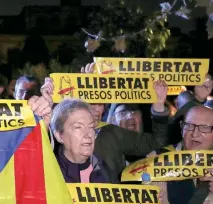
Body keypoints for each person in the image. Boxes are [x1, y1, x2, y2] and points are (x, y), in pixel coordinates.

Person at [42, 71, 170, 183]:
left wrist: (158, 107)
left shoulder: (112, 134)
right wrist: (45, 111)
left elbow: (155, 144)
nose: (96, 108)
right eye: (91, 101)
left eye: (100, 102)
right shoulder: (54, 152)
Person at [51, 99, 123, 204]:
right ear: (59, 136)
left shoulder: (104, 170)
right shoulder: (50, 177)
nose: (88, 135)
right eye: (78, 127)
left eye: (91, 128)